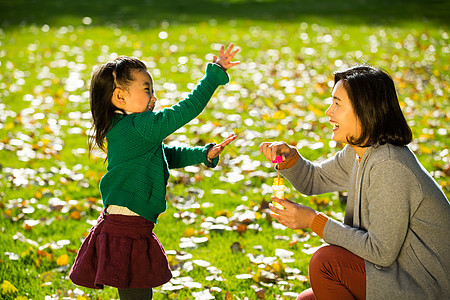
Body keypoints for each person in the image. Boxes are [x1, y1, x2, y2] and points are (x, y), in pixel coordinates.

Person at [260, 65, 450, 300]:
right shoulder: (361, 151)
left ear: (364, 110)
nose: (329, 112)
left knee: (325, 264)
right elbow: (314, 179)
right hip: (396, 274)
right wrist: (290, 159)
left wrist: (313, 221)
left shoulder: (390, 166)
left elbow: (380, 251)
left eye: (337, 104)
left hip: (424, 287)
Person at [69, 44, 240, 299]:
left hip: (124, 222)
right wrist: (213, 75)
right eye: (147, 90)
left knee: (136, 292)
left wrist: (202, 154)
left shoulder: (124, 127)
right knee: (138, 294)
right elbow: (186, 110)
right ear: (120, 97)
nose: (154, 98)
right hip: (128, 226)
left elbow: (163, 156)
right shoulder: (139, 125)